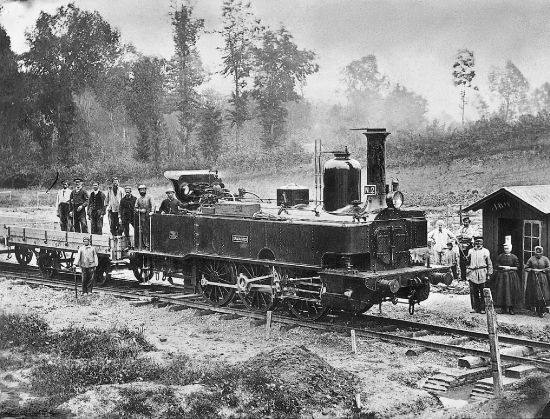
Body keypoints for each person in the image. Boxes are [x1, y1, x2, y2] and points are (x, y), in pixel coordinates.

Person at [492, 237, 521, 315]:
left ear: (510, 248)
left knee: (511, 292)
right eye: (505, 248)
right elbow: (496, 265)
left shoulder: (514, 257)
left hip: (511, 277)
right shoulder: (500, 256)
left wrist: (509, 268)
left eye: (507, 248)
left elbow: (517, 267)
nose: (506, 249)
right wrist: (502, 267)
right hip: (501, 276)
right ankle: (503, 308)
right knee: (502, 291)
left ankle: (511, 308)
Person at [467, 237, 493, 314]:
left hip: (482, 272)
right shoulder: (470, 251)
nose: (478, 243)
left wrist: (489, 274)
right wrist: (466, 260)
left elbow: (489, 263)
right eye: (476, 242)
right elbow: (468, 262)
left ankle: (483, 308)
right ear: (474, 242)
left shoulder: (486, 251)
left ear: (482, 243)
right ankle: (475, 308)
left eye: (480, 242)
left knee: (483, 291)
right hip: (473, 273)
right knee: (474, 291)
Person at [524, 246, 550, 317]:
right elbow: (526, 267)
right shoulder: (531, 259)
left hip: (543, 278)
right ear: (535, 253)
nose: (538, 255)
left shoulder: (545, 259)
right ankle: (536, 310)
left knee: (543, 293)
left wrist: (541, 270)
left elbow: (548, 267)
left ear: (542, 253)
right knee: (535, 293)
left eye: (540, 254)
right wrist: (532, 270)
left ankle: (541, 310)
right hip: (533, 278)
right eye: (537, 254)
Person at [455, 216, 477, 282]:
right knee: (462, 262)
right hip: (461, 247)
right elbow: (457, 235)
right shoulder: (461, 228)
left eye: (466, 222)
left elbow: (470, 236)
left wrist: (463, 235)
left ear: (469, 222)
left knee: (469, 261)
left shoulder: (471, 229)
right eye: (464, 222)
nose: (465, 223)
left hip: (468, 246)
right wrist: (460, 236)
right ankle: (463, 277)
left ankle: (470, 277)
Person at [134, 184, 154, 249]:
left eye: (143, 189)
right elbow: (135, 208)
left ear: (145, 190)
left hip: (150, 217)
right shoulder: (138, 199)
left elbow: (153, 205)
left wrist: (152, 211)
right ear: (139, 191)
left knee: (150, 231)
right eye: (141, 190)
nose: (142, 191)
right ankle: (146, 245)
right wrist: (140, 210)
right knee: (143, 231)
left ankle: (151, 245)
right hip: (142, 217)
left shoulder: (149, 197)